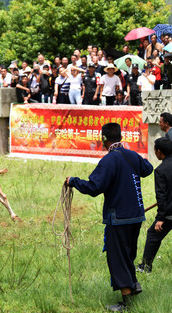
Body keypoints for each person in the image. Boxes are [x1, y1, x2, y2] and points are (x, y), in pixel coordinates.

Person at [66, 123, 153, 312]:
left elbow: (94, 187)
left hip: (119, 217)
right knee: (129, 253)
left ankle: (127, 302)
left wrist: (73, 181)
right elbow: (148, 169)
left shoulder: (109, 160)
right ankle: (134, 284)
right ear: (120, 137)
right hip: (137, 215)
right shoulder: (131, 155)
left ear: (104, 139)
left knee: (117, 257)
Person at [137, 138, 172, 273]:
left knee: (153, 234)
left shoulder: (161, 170)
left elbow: (162, 196)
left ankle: (145, 267)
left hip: (169, 214)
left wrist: (160, 218)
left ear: (159, 151)